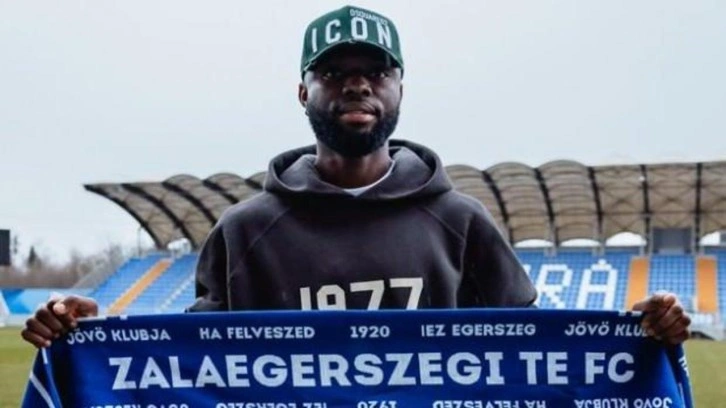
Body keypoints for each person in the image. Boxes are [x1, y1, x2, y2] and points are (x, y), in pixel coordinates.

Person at [21, 5, 690, 348]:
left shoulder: (460, 221)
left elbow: (537, 352)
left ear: (399, 88)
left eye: (375, 71)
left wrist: (628, 334)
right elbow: (193, 363)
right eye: (333, 72)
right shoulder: (245, 230)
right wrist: (93, 335)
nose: (356, 85)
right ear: (302, 91)